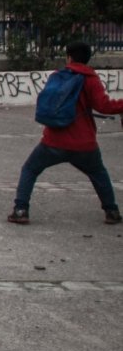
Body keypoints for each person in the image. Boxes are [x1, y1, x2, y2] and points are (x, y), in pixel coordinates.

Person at [8, 41, 123, 225]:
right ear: (87, 59)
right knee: (99, 173)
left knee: (30, 169)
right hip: (84, 142)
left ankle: (21, 210)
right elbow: (104, 106)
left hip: (54, 140)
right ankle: (111, 211)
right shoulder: (91, 79)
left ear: (68, 57)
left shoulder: (58, 76)